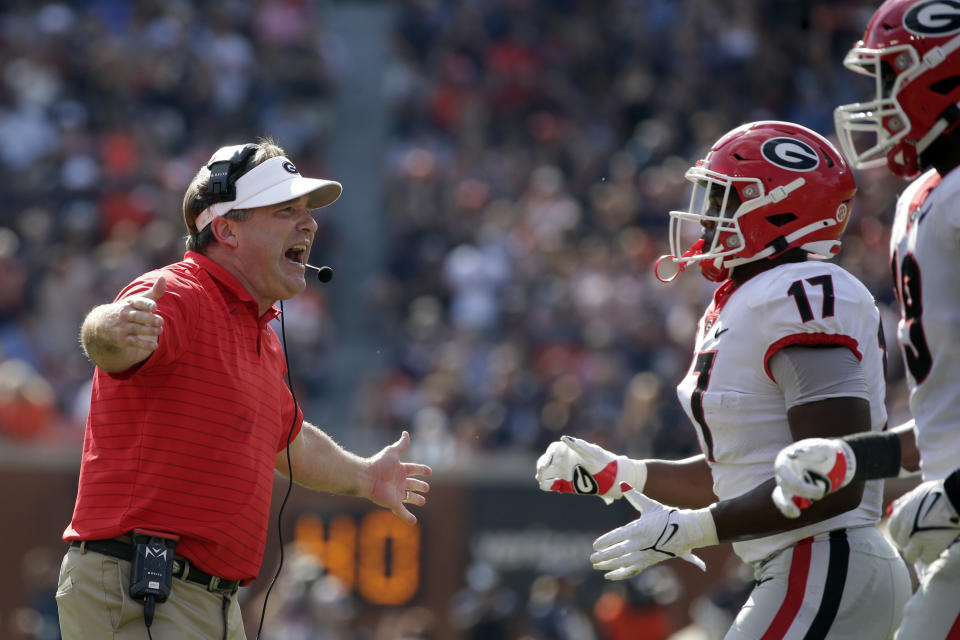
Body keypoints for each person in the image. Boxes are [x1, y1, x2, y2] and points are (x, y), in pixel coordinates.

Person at [536, 121, 911, 639]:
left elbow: (833, 479)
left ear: (779, 206)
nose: (707, 217)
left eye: (723, 198)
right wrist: (624, 473)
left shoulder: (802, 291)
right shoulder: (750, 299)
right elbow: (736, 472)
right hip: (812, 567)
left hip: (825, 562)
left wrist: (697, 529)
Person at [55, 139, 433, 640]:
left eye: (307, 212)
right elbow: (111, 340)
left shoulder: (259, 334)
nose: (309, 224)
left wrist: (364, 476)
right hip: (144, 585)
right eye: (285, 210)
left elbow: (290, 441)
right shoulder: (182, 293)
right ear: (227, 229)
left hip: (205, 600)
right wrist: (109, 328)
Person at [771, 1, 960, 637]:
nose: (878, 101)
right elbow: (944, 424)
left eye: (889, 78)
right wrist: (856, 459)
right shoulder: (927, 196)